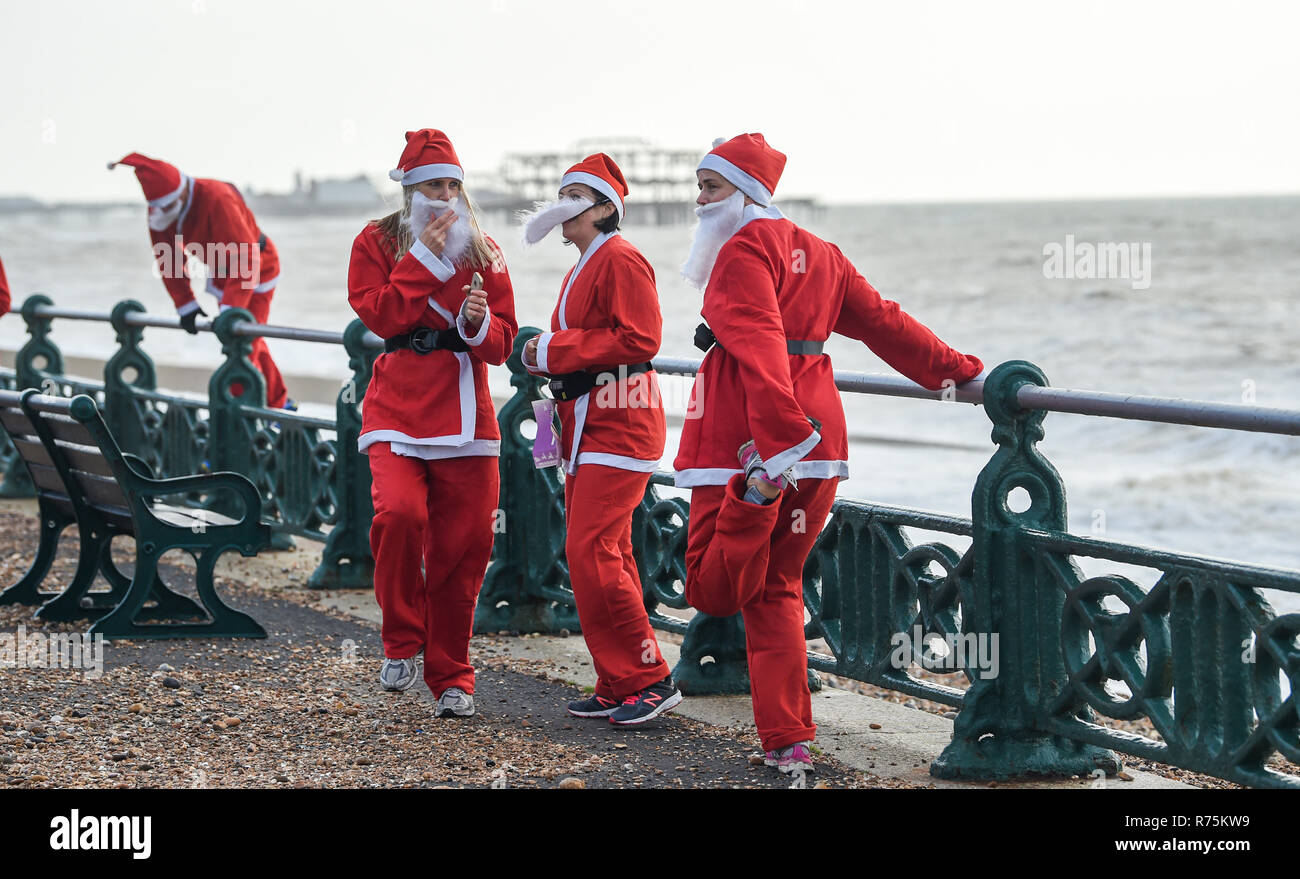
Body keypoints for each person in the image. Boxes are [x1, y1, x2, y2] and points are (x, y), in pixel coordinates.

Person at [674, 133, 984, 773]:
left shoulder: (741, 250)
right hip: (821, 441)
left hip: (753, 442)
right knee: (778, 589)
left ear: (746, 192)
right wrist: (961, 373)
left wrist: (776, 445)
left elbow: (759, 341)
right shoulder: (823, 255)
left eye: (711, 187)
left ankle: (753, 498)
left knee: (711, 583)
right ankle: (788, 743)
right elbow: (886, 323)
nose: (699, 201)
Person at [347, 129, 517, 718]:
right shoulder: (374, 242)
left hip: (469, 418)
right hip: (396, 409)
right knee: (398, 516)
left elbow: (503, 344)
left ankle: (452, 677)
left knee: (463, 552)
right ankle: (401, 639)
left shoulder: (486, 251)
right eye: (431, 185)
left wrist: (476, 324)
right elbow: (384, 313)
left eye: (452, 185)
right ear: (408, 191)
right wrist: (426, 257)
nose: (444, 196)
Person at [519, 153, 680, 725]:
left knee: (591, 553)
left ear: (604, 208)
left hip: (619, 425)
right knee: (609, 553)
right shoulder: (587, 261)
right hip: (585, 426)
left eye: (573, 197)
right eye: (559, 195)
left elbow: (642, 337)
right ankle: (618, 679)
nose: (561, 207)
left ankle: (650, 678)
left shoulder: (622, 257)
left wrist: (549, 351)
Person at [108, 153, 292, 409]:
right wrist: (186, 304)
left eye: (166, 207)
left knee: (243, 341)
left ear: (182, 193)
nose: (162, 212)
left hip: (258, 266)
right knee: (245, 342)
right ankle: (273, 406)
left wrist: (231, 309)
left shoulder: (216, 197)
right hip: (223, 272)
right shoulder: (161, 211)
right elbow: (169, 260)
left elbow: (245, 255)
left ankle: (264, 409)